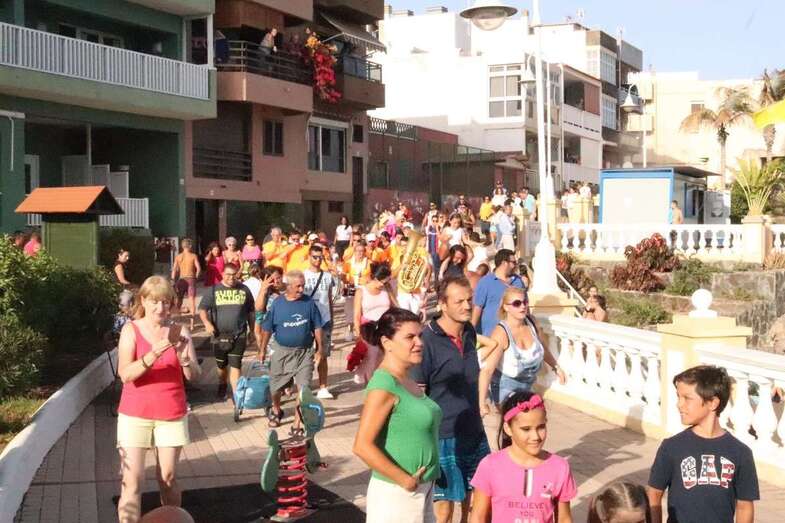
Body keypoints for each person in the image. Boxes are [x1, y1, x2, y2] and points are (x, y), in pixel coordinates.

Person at [115, 276, 201, 523]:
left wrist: (184, 358)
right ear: (143, 301)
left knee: (168, 477)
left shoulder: (179, 331)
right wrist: (152, 355)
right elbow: (125, 374)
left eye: (165, 302)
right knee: (132, 480)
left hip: (171, 413)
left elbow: (194, 376)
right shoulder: (131, 330)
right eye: (154, 301)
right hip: (135, 413)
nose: (160, 308)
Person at [411, 276, 490, 523]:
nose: (467, 306)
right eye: (459, 301)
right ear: (443, 305)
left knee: (477, 505)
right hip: (442, 436)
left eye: (469, 300)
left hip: (474, 431)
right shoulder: (426, 341)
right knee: (443, 511)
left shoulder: (469, 332)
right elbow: (418, 396)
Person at [353, 308, 442, 523]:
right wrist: (405, 480)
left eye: (419, 336)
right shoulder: (384, 384)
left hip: (421, 490)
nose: (419, 343)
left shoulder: (406, 379)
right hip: (398, 494)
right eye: (410, 337)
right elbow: (362, 446)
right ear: (387, 342)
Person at [647, 365, 759, 523]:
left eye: (687, 398)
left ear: (712, 403)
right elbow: (654, 495)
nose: (679, 404)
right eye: (678, 397)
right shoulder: (671, 447)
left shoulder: (740, 453)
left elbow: (744, 506)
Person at [469, 391, 577, 523]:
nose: (535, 436)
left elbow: (564, 518)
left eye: (541, 427)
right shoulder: (490, 466)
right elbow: (478, 517)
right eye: (526, 429)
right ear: (508, 428)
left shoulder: (560, 467)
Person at [478, 287, 565, 412]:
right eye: (517, 303)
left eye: (525, 302)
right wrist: (481, 403)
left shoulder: (532, 322)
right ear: (506, 307)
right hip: (505, 389)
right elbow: (487, 370)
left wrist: (556, 367)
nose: (523, 306)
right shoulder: (501, 333)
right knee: (523, 418)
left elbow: (542, 348)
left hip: (528, 386)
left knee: (536, 417)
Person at [258, 270, 324, 434]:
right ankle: (276, 409)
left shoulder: (309, 303)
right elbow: (267, 328)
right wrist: (262, 350)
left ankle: (297, 423)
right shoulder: (277, 304)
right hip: (282, 352)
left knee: (304, 389)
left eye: (303, 286)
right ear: (288, 286)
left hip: (304, 353)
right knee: (275, 388)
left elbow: (317, 326)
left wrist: (320, 348)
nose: (302, 289)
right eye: (298, 286)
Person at [198, 263, 256, 400]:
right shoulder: (213, 290)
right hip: (218, 335)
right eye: (228, 274)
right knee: (221, 365)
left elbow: (251, 312)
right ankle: (222, 384)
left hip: (239, 334)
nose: (231, 277)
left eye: (234, 275)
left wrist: (252, 330)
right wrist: (207, 323)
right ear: (223, 274)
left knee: (236, 364)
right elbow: (202, 309)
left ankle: (237, 394)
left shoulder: (244, 290)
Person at [303, 244, 338, 400]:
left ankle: (323, 387)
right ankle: (303, 384)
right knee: (304, 354)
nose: (317, 260)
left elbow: (329, 298)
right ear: (309, 257)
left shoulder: (327, 276)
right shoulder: (303, 275)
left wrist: (332, 317)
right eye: (315, 257)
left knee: (323, 353)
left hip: (324, 319)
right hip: (307, 319)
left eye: (320, 257)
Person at [472, 249, 525, 336]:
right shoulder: (486, 282)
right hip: (491, 336)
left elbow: (525, 305)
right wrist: (470, 332)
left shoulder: (518, 281)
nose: (516, 265)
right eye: (514, 262)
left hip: (515, 336)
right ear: (504, 263)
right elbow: (477, 308)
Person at [353, 262, 396, 339]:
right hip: (368, 329)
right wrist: (359, 334)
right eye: (384, 282)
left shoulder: (387, 287)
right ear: (376, 279)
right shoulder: (361, 291)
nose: (385, 284)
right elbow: (357, 316)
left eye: (387, 281)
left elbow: (395, 306)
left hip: (386, 327)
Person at [342, 239, 372, 341]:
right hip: (350, 288)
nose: (360, 253)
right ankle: (350, 330)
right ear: (354, 252)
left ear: (365, 252)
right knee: (349, 310)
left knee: (363, 310)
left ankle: (362, 331)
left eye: (362, 251)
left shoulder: (369, 263)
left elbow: (372, 277)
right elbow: (343, 276)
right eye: (358, 251)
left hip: (364, 288)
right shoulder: (348, 263)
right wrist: (345, 279)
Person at [253, 266, 284, 361]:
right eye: (272, 280)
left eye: (278, 278)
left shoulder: (290, 290)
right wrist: (263, 290)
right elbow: (258, 309)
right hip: (273, 339)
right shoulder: (266, 294)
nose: (276, 282)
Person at [171, 239, 201, 319]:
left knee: (179, 300)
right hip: (191, 279)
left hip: (181, 279)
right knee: (192, 300)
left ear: (182, 246)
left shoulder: (178, 257)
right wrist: (196, 277)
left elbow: (174, 269)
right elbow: (198, 268)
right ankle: (192, 323)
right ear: (190, 246)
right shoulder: (193, 256)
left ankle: (177, 319)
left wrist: (172, 280)